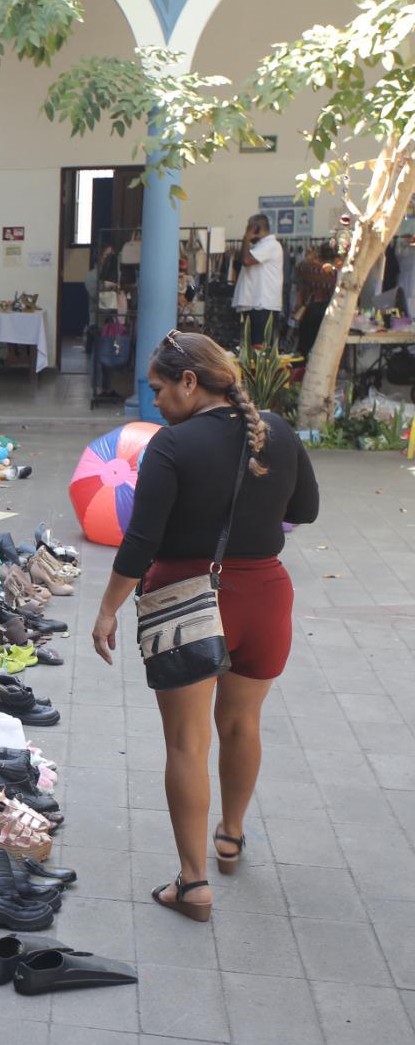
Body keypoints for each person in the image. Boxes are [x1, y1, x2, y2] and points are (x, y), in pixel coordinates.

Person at [91, 331, 318, 922]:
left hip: (185, 600)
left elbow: (140, 542)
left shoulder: (172, 446)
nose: (156, 402)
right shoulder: (277, 429)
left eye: (160, 389)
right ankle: (232, 837)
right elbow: (306, 510)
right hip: (265, 598)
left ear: (190, 382)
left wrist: (109, 608)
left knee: (187, 742)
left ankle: (193, 886)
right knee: (242, 723)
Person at [233, 214, 283, 344]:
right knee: (251, 349)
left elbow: (246, 260)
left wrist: (246, 238)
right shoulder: (259, 246)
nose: (247, 231)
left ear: (256, 228)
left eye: (249, 228)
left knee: (260, 349)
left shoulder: (271, 245)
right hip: (255, 305)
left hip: (263, 305)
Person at [294, 242, 339, 355]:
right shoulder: (334, 274)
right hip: (327, 313)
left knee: (304, 347)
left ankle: (301, 370)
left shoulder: (305, 267)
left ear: (318, 255)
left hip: (307, 312)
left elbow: (298, 274)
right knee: (323, 350)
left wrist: (310, 257)